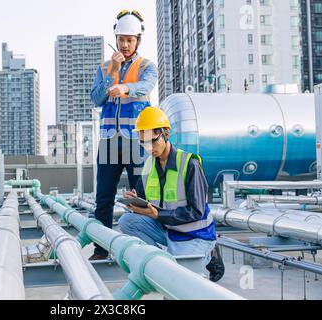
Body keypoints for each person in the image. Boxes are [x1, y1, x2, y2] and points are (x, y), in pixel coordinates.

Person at [118, 106, 224, 280]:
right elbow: (144, 200)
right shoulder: (148, 165)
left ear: (166, 134)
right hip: (166, 227)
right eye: (144, 143)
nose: (149, 148)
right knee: (128, 221)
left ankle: (210, 252)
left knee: (179, 280)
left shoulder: (189, 164)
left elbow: (196, 212)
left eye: (153, 141)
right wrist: (135, 201)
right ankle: (159, 261)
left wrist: (158, 213)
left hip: (194, 233)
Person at [89, 10, 158, 260]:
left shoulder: (147, 67)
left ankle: (141, 249)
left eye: (130, 40)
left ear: (138, 40)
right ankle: (101, 248)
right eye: (121, 39)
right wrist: (111, 75)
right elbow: (96, 98)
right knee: (103, 198)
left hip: (136, 142)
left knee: (139, 196)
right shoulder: (105, 67)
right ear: (115, 39)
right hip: (109, 141)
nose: (125, 45)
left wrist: (125, 87)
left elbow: (145, 87)